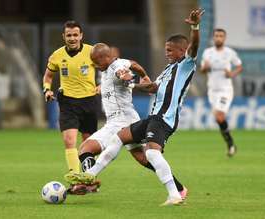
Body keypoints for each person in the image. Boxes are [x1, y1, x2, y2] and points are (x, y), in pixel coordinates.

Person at [70, 8, 204, 206]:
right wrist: (133, 84)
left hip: (164, 118)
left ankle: (175, 195)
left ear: (181, 51)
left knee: (150, 153)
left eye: (170, 50)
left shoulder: (185, 64)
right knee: (119, 138)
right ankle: (90, 175)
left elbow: (194, 47)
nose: (166, 53)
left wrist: (194, 27)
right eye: (165, 49)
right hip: (153, 117)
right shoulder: (168, 70)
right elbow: (152, 87)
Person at [66, 43, 187, 198]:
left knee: (86, 148)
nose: (94, 65)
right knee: (144, 158)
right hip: (120, 120)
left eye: (96, 61)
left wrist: (131, 78)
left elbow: (123, 73)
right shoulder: (113, 65)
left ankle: (88, 180)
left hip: (121, 120)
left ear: (105, 58)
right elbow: (134, 64)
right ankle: (179, 188)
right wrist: (144, 76)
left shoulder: (117, 66)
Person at [43, 20, 99, 174]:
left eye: (75, 35)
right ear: (64, 36)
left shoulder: (92, 52)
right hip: (68, 102)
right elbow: (48, 76)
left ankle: (89, 179)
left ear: (81, 35)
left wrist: (102, 85)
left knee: (88, 145)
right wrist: (47, 90)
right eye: (69, 35)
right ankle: (75, 177)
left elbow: (106, 69)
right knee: (69, 141)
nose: (72, 38)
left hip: (89, 101)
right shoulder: (57, 55)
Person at [200, 28, 242, 157]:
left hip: (225, 90)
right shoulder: (207, 53)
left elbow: (239, 66)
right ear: (213, 38)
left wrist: (232, 74)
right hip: (212, 90)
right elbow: (202, 70)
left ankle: (230, 144)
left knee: (219, 116)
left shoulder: (230, 53)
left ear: (224, 38)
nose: (218, 38)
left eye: (221, 36)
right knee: (218, 119)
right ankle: (231, 145)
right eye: (216, 36)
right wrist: (205, 68)